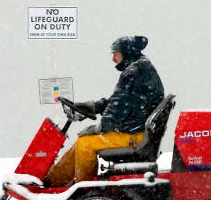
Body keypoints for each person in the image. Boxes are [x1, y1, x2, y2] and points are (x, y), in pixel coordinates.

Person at [44, 36, 164, 186]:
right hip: (139, 132)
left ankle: (84, 192)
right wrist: (92, 107)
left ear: (126, 53)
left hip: (135, 136)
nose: (113, 59)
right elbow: (118, 101)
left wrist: (97, 128)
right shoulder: (142, 69)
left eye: (115, 54)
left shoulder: (132, 73)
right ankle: (52, 183)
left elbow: (116, 112)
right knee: (81, 142)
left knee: (85, 144)